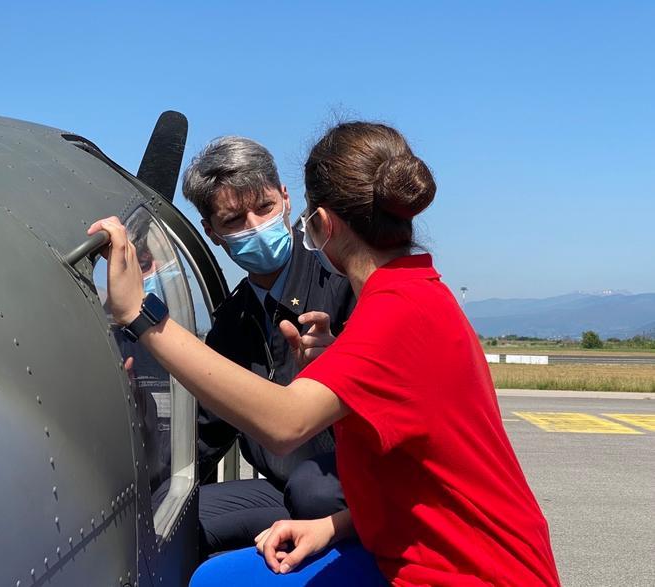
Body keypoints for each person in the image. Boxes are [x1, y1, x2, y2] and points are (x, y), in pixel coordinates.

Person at [89, 121, 560, 586]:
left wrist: (143, 317)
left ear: (319, 222)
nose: (255, 228)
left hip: (467, 571)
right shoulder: (415, 294)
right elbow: (413, 478)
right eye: (234, 220)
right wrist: (333, 527)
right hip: (414, 539)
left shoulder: (392, 315)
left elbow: (285, 424)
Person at [180, 136, 353, 556]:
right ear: (212, 232)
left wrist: (344, 363)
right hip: (279, 490)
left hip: (348, 491)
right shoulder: (231, 321)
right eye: (234, 219)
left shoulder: (345, 284)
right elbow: (206, 432)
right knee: (171, 523)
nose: (255, 226)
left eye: (265, 207)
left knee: (314, 490)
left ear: (288, 199)